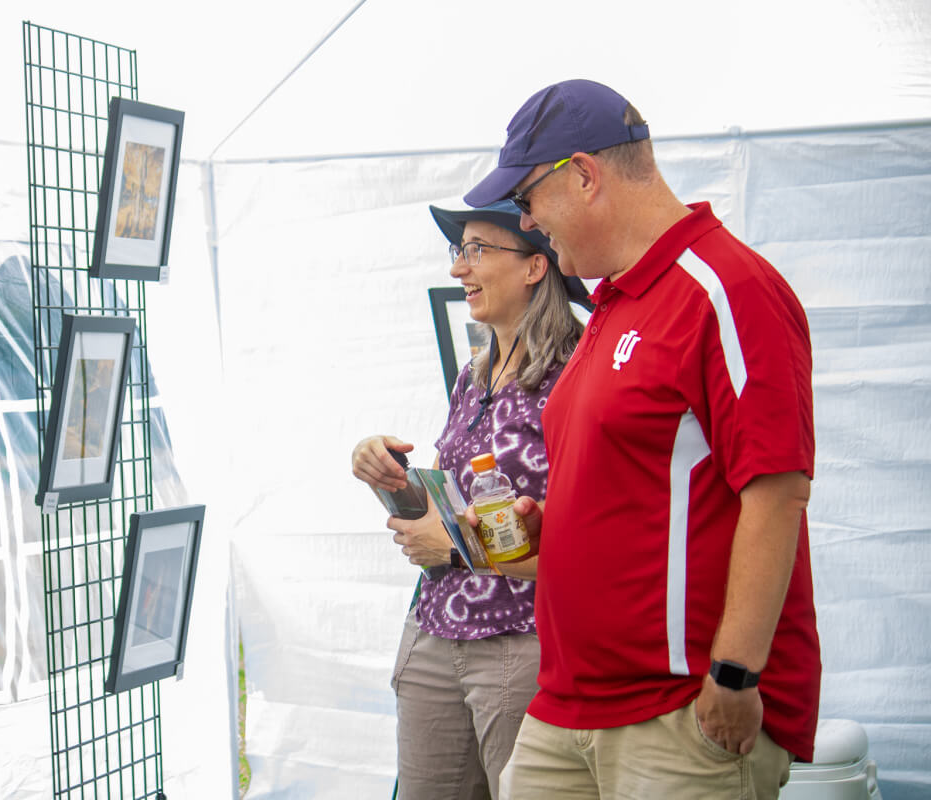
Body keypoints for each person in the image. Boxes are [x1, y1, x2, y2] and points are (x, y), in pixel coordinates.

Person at [460, 79, 820, 799]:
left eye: (527, 198)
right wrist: (551, 531)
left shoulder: (724, 287)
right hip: (570, 702)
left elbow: (778, 491)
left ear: (584, 175)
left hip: (678, 710)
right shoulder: (613, 304)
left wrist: (735, 673)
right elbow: (641, 489)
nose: (526, 220)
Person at [351, 199, 590, 798]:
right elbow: (454, 504)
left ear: (535, 266)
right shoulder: (474, 376)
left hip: (519, 641)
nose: (459, 267)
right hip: (435, 631)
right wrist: (385, 471)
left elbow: (588, 535)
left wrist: (457, 551)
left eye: (477, 250)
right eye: (459, 250)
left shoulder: (577, 374)